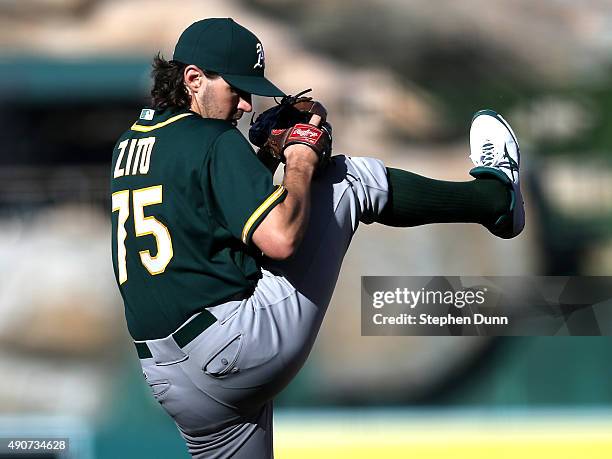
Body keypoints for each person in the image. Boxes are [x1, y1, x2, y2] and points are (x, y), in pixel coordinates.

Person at [110, 17, 524, 458]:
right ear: (194, 79)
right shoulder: (211, 140)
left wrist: (266, 159)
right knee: (349, 182)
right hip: (233, 349)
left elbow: (206, 212)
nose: (247, 105)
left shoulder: (129, 146)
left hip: (169, 381)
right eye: (237, 88)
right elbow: (282, 238)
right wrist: (300, 155)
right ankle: (495, 197)